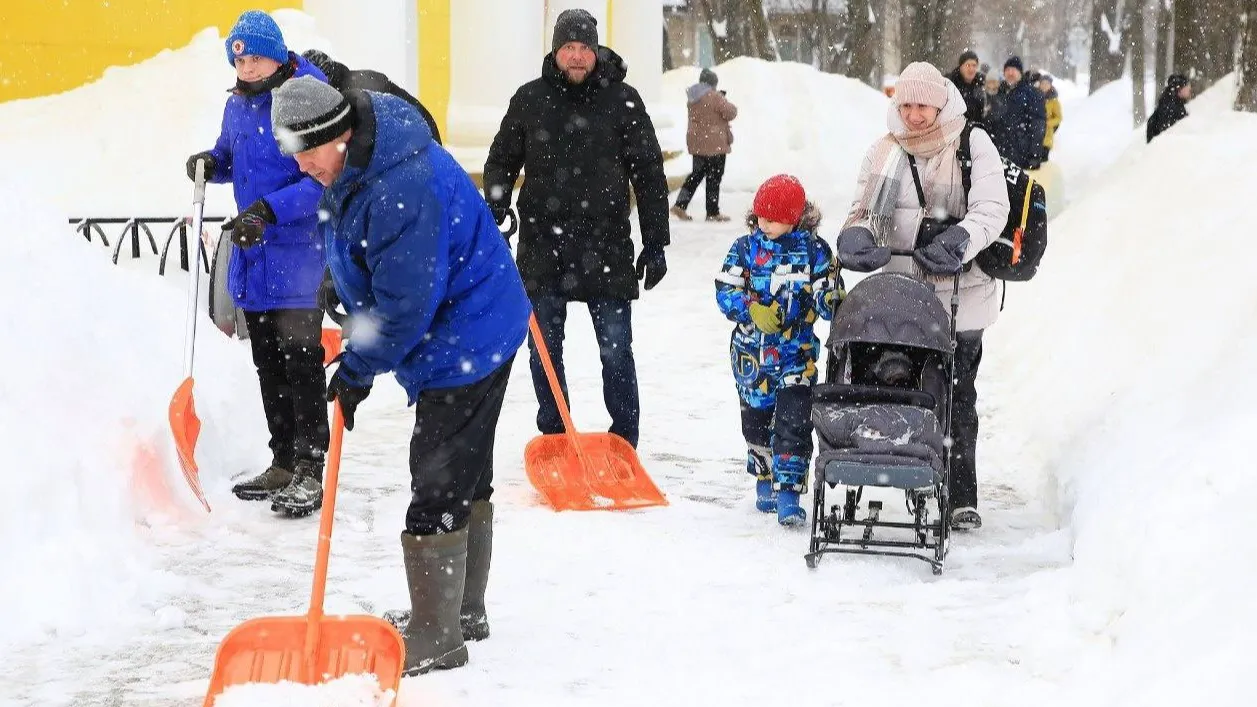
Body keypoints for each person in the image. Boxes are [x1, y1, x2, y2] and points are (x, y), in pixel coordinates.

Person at [270, 74, 529, 675]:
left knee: (438, 477)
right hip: (473, 322)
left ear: (338, 134)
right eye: (296, 156)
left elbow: (405, 307)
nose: (304, 168)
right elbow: (353, 231)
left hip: (469, 333)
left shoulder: (401, 183)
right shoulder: (361, 157)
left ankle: (439, 634)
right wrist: (341, 272)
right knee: (463, 466)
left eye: (308, 154)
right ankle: (461, 611)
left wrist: (357, 369)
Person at [483, 8, 671, 449]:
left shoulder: (624, 100)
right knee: (544, 351)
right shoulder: (529, 99)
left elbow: (648, 173)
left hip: (607, 246)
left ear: (596, 51)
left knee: (616, 352)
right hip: (542, 248)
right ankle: (555, 431)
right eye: (568, 47)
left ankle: (624, 437)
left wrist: (656, 241)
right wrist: (496, 203)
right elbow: (501, 159)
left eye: (584, 47)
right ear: (555, 51)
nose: (576, 56)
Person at [835, 62, 1011, 531]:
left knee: (957, 394)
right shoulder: (884, 150)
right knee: (892, 385)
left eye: (923, 105)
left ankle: (959, 495)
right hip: (900, 296)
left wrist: (962, 239)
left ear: (941, 101)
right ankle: (899, 471)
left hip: (961, 294)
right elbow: (860, 208)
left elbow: (993, 208)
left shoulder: (973, 144)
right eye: (907, 105)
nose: (915, 115)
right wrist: (854, 234)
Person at [185, 10, 330, 516]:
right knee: (268, 361)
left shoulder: (306, 97)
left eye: (256, 57)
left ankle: (312, 469)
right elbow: (232, 156)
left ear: (278, 53)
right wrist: (211, 162)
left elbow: (326, 176)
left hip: (297, 255)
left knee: (302, 364)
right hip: (255, 255)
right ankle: (284, 461)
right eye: (239, 58)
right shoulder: (240, 105)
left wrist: (270, 210)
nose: (246, 67)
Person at [715, 175, 836, 526]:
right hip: (752, 358)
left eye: (773, 218)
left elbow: (825, 287)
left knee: (793, 424)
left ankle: (789, 494)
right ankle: (765, 480)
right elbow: (725, 289)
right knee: (756, 424)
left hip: (795, 356)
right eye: (760, 217)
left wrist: (828, 298)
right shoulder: (744, 249)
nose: (764, 224)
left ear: (795, 218)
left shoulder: (814, 251)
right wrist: (750, 309)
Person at [300, 48, 442, 145]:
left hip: (416, 146)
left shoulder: (352, 98)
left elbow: (364, 150)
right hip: (424, 142)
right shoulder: (354, 81)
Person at [672, 67, 738, 222]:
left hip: (698, 143)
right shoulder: (714, 96)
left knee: (696, 175)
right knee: (714, 177)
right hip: (714, 144)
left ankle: (679, 205)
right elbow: (731, 112)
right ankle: (712, 212)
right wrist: (722, 98)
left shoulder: (693, 97)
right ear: (712, 83)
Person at [987, 56, 1047, 169]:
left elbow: (1038, 125)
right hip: (1000, 158)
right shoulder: (999, 94)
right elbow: (993, 123)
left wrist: (1035, 155)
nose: (1010, 73)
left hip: (1022, 157)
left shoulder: (1032, 94)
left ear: (1020, 72)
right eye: (1007, 70)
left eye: (1013, 70)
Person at [1147, 74, 1192, 143]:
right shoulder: (1171, 108)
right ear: (1179, 89)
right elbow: (1170, 134)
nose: (1190, 89)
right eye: (1187, 87)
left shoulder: (1169, 102)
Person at [947, 50, 986, 123]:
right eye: (968, 65)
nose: (971, 69)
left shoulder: (982, 84)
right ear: (960, 66)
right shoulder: (950, 84)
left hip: (978, 129)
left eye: (974, 65)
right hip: (957, 129)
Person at [1039, 73, 1062, 162]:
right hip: (1034, 136)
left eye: (1047, 84)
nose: (1044, 86)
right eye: (1043, 83)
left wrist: (1047, 123)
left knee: (1043, 162)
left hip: (1047, 137)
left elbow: (1059, 118)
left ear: (1050, 85)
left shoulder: (1054, 101)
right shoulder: (1035, 97)